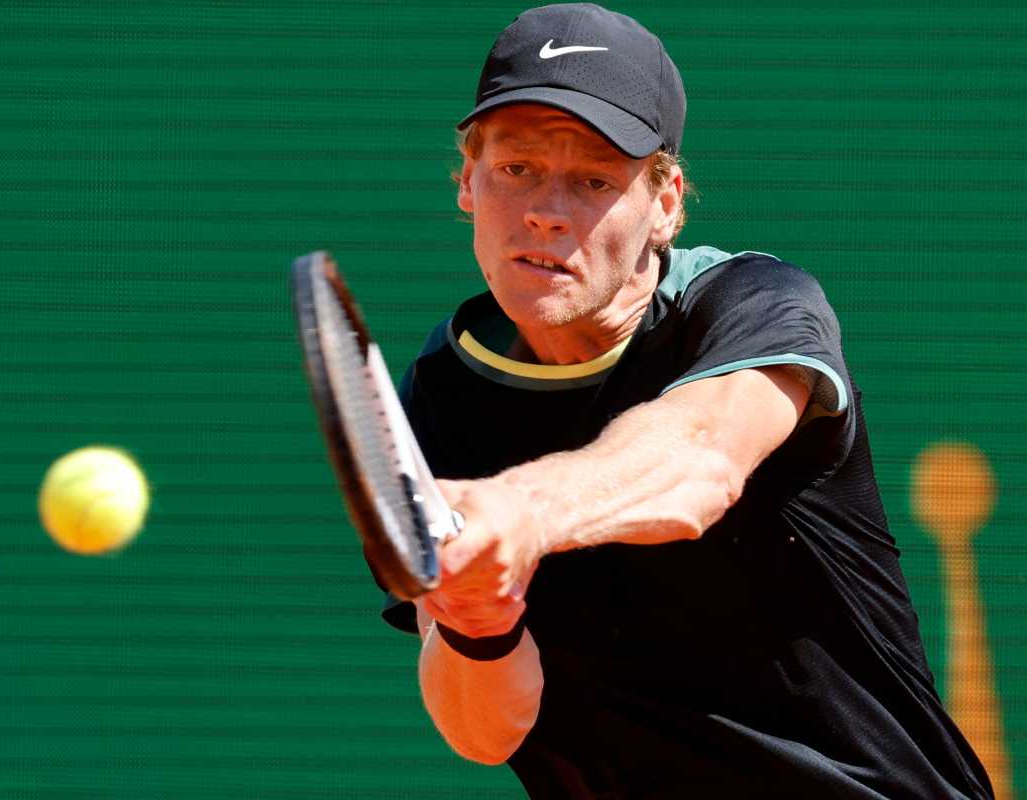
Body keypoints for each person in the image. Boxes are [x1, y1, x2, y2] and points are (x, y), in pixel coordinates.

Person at [375, 3, 995, 798]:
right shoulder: (445, 389)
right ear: (468, 179)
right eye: (517, 168)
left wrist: (520, 512)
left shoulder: (754, 303)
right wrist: (477, 620)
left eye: (594, 179)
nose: (546, 211)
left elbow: (700, 463)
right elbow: (486, 731)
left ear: (666, 203)